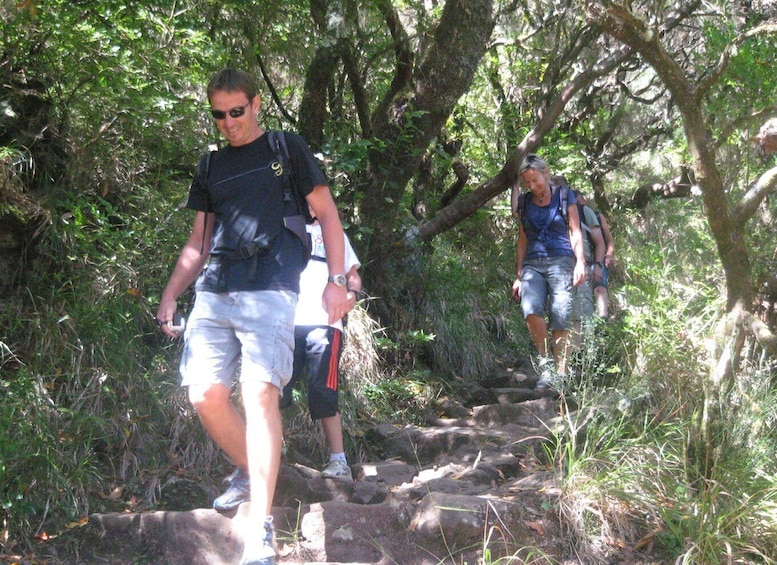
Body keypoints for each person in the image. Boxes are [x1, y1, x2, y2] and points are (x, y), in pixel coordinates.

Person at [156, 68, 349, 565]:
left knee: (260, 392)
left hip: (271, 285)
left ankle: (260, 530)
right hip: (216, 289)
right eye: (219, 115)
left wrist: (337, 281)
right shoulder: (210, 166)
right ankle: (252, 466)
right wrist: (171, 293)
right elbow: (198, 243)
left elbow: (327, 214)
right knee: (204, 394)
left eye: (236, 111)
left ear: (256, 104)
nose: (229, 123)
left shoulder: (286, 149)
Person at [280, 212, 361, 480]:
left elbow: (353, 274)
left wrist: (352, 295)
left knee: (324, 390)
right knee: (274, 390)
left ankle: (338, 461)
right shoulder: (283, 225)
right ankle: (271, 455)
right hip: (283, 321)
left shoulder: (335, 232)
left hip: (325, 322)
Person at [511, 154, 586, 390]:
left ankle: (561, 373)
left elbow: (575, 231)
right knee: (530, 310)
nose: (532, 187)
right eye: (528, 183)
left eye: (536, 181)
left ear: (546, 173)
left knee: (560, 315)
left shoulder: (565, 196)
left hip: (562, 260)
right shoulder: (525, 202)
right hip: (533, 262)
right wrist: (519, 273)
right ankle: (546, 365)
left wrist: (581, 261)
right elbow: (522, 238)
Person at [569, 189, 605, 347]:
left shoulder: (585, 211)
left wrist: (598, 265)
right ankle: (570, 352)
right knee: (567, 309)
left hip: (584, 264)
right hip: (561, 266)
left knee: (584, 306)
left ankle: (586, 351)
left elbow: (600, 242)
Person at [574, 191, 614, 320]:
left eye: (579, 201)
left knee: (599, 287)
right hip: (584, 259)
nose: (578, 204)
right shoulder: (573, 216)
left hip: (599, 256)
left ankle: (603, 317)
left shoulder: (596, 216)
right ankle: (588, 319)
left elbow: (608, 239)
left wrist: (608, 255)